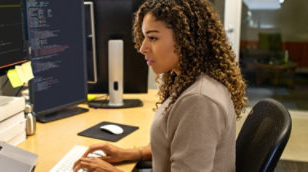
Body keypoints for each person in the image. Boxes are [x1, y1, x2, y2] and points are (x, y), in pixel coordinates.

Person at [73, 0, 247, 171]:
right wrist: (133, 154)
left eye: (153, 38)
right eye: (144, 37)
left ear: (185, 38)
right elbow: (179, 145)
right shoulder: (189, 81)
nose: (142, 48)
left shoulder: (199, 101)